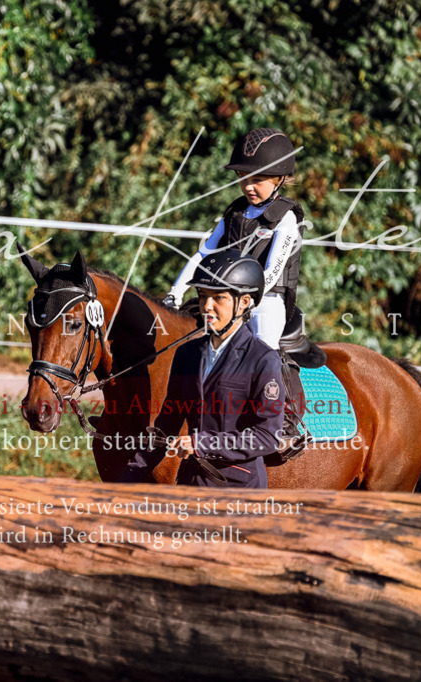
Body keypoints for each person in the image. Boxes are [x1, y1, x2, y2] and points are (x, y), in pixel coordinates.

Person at [120, 250, 286, 488]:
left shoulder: (263, 359)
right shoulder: (187, 354)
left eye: (219, 298)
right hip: (191, 484)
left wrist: (201, 444)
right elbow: (167, 425)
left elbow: (267, 437)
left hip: (238, 491)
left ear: (244, 303)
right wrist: (125, 480)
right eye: (202, 296)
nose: (207, 306)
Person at [164, 128, 305, 351]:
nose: (248, 186)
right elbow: (204, 254)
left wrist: (241, 298)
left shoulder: (286, 218)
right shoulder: (236, 212)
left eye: (257, 180)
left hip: (266, 302)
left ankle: (273, 384)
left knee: (262, 350)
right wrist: (176, 292)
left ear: (279, 179)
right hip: (227, 298)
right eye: (243, 178)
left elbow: (272, 271)